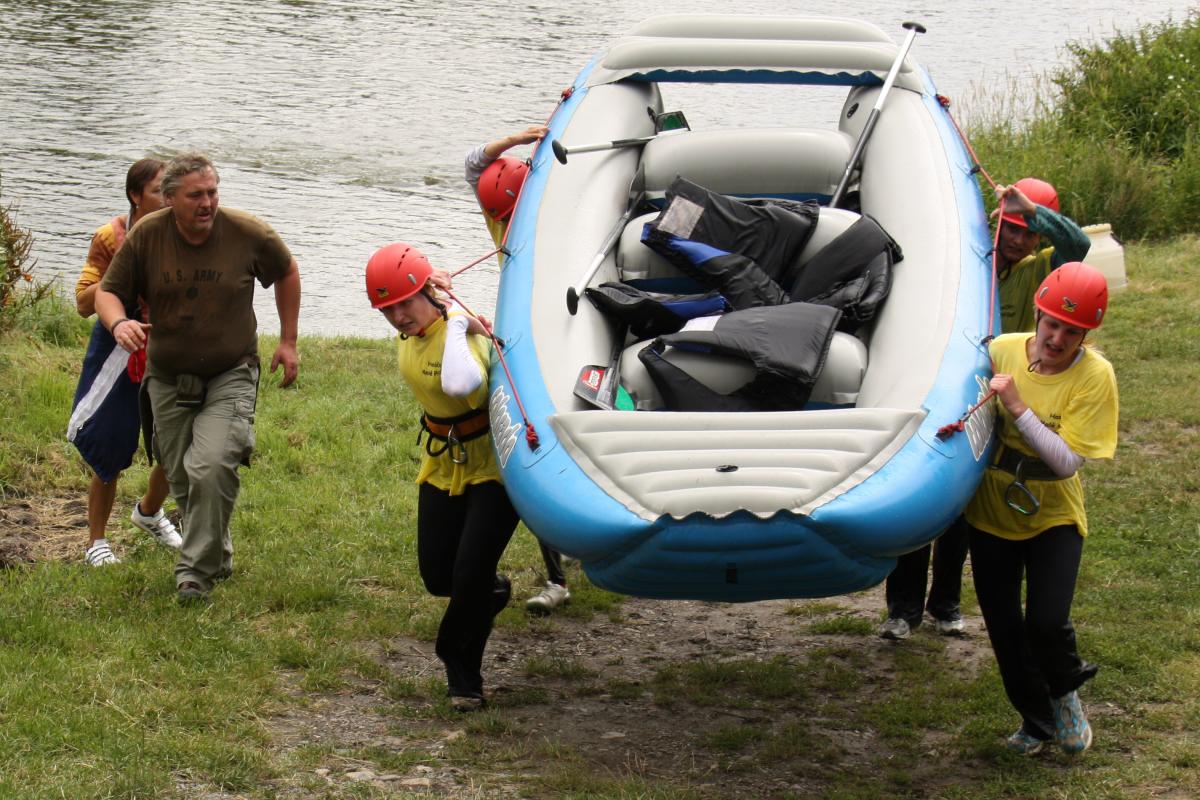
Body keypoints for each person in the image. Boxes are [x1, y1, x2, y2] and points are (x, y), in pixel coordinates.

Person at [880, 177, 1091, 640]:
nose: (1018, 240)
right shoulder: (971, 260)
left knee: (962, 504)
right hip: (941, 389)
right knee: (923, 493)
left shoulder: (1041, 272)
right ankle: (902, 609)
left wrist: (1032, 210)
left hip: (996, 398)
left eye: (1028, 233)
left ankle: (945, 603)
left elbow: (1078, 247)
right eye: (1011, 228)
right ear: (996, 223)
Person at [94, 152, 301, 602]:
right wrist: (119, 323)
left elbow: (286, 271)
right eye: (195, 195)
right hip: (167, 376)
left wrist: (288, 340)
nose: (207, 203)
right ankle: (216, 554)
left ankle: (193, 574)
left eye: (212, 192)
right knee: (183, 477)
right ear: (170, 199)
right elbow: (106, 292)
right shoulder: (149, 235)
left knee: (210, 465)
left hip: (232, 370)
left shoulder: (248, 232)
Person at [965, 261, 1117, 756]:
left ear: (1086, 335)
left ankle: (1064, 693)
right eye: (1052, 324)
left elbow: (1067, 461)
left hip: (1053, 510)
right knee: (1004, 627)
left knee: (1046, 623)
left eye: (1072, 332)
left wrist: (1017, 407)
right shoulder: (1001, 350)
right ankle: (1037, 722)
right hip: (992, 508)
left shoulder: (1094, 375)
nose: (1057, 339)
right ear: (1038, 314)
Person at [365, 242, 518, 712]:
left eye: (404, 304)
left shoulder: (459, 334)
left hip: (494, 463)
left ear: (424, 295)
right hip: (443, 460)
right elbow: (429, 308)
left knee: (469, 575)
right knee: (438, 577)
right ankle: (492, 591)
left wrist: (454, 318)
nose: (398, 318)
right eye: (387, 310)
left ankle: (460, 668)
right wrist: (441, 299)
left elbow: (459, 384)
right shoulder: (423, 322)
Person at [465, 125, 571, 615]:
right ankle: (557, 578)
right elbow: (474, 166)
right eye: (500, 216)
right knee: (533, 447)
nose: (505, 223)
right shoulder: (502, 218)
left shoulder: (556, 222)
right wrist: (513, 141)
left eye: (509, 215)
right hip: (525, 344)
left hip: (566, 338)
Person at [68, 158, 182, 566]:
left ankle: (149, 512)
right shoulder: (110, 236)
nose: (168, 198)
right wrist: (122, 274)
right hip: (117, 350)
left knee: (178, 440)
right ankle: (96, 542)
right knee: (109, 442)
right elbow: (83, 303)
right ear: (135, 196)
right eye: (158, 190)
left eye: (172, 190)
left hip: (167, 348)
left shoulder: (184, 233)